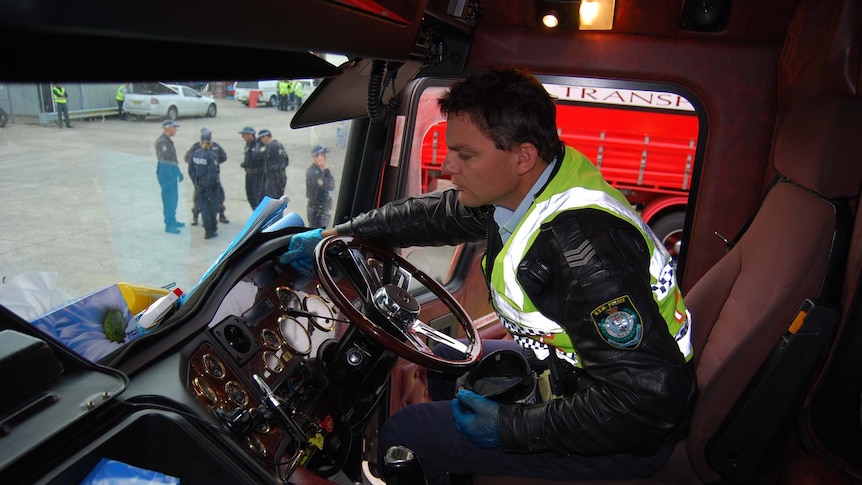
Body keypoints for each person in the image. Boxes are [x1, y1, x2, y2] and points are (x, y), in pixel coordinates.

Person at [279, 68, 696, 485]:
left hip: (622, 437)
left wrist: (509, 426)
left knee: (406, 433)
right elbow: (435, 215)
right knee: (447, 361)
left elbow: (649, 401)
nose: (446, 166)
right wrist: (342, 234)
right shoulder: (529, 188)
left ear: (522, 156)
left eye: (465, 155)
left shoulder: (582, 250)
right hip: (574, 374)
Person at [184, 127, 229, 225]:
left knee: (219, 196)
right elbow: (187, 158)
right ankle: (195, 216)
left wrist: (215, 164)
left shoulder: (215, 146)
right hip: (201, 177)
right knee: (198, 198)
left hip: (214, 178)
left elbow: (224, 156)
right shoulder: (196, 146)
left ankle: (221, 214)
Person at [187, 129, 222, 239]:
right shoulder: (211, 155)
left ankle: (207, 229)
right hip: (210, 187)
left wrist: (196, 183)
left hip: (199, 186)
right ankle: (211, 229)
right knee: (212, 208)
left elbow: (191, 170)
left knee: (204, 209)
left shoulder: (195, 153)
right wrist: (206, 184)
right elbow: (212, 172)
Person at [154, 119, 185, 234]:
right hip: (166, 173)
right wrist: (177, 172)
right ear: (167, 128)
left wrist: (177, 173)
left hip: (170, 173)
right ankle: (169, 224)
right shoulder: (163, 142)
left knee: (174, 198)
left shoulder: (167, 141)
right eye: (174, 127)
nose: (176, 129)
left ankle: (172, 219)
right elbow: (167, 162)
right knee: (169, 199)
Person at [305, 145, 336, 228]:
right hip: (317, 212)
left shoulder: (317, 171)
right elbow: (330, 185)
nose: (325, 157)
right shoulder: (315, 174)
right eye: (323, 155)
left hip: (319, 210)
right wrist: (326, 169)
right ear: (316, 157)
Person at [239, 126, 267, 209]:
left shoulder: (258, 145)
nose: (242, 137)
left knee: (258, 197)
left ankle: (261, 217)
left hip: (257, 176)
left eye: (244, 135)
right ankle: (256, 213)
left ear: (250, 135)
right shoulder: (248, 145)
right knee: (250, 196)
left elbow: (262, 160)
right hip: (249, 175)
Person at [257, 129, 288, 201]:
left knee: (271, 199)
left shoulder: (269, 146)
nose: (261, 141)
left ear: (265, 137)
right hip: (282, 176)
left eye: (261, 138)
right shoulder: (279, 145)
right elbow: (286, 160)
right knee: (279, 199)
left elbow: (258, 155)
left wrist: (259, 146)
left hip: (273, 178)